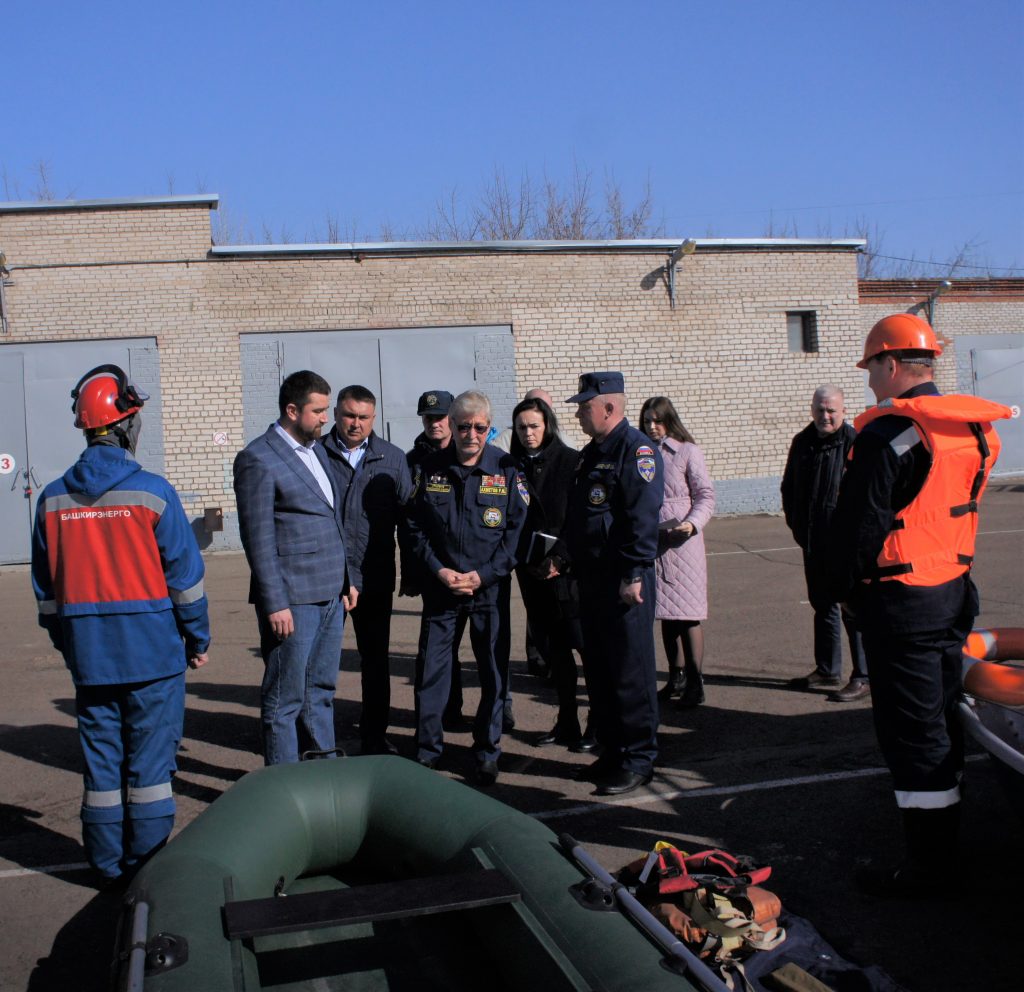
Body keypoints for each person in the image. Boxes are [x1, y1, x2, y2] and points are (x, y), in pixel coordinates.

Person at [827, 313, 1011, 898]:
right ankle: (946, 838)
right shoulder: (967, 429)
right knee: (941, 722)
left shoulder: (889, 435)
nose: (870, 383)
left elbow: (859, 529)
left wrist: (842, 593)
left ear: (890, 363)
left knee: (913, 732)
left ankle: (930, 866)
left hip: (903, 604)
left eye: (872, 369)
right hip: (953, 594)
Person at [31, 364, 210, 888]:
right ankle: (147, 872)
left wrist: (71, 645)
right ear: (127, 424)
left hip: (90, 657)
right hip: (153, 655)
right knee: (151, 771)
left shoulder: (52, 499)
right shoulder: (153, 493)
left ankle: (107, 870)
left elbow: (47, 594)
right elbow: (186, 580)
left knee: (103, 770)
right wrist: (196, 639)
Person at [233, 370, 358, 766]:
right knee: (284, 700)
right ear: (291, 410)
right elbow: (258, 538)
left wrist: (347, 580)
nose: (327, 418)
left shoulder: (316, 449)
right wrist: (275, 603)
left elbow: (331, 520)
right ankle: (283, 788)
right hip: (292, 602)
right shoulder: (258, 458)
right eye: (318, 411)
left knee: (320, 690)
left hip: (330, 595)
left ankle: (324, 773)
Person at [405, 389, 528, 785]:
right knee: (431, 673)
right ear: (452, 427)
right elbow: (414, 528)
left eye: (480, 427)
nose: (471, 434)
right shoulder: (429, 468)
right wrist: (438, 570)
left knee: (493, 673)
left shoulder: (507, 470)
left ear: (489, 429)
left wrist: (485, 575)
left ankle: (487, 750)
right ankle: (427, 750)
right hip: (443, 590)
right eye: (463, 426)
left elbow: (516, 535)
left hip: (487, 592)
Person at [565, 372, 664, 796]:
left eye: (585, 405)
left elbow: (642, 518)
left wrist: (635, 573)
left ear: (609, 407)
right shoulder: (592, 453)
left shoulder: (636, 450)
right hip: (592, 579)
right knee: (601, 670)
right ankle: (611, 750)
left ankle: (639, 759)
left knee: (630, 670)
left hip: (625, 580)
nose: (579, 412)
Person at [322, 384, 414, 756]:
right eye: (348, 416)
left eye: (363, 417)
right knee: (321, 663)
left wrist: (410, 571)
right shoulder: (315, 454)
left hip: (374, 575)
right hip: (327, 576)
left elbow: (408, 517)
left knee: (375, 661)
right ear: (336, 415)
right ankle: (318, 739)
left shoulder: (392, 458)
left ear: (373, 418)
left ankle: (375, 735)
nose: (355, 424)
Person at [781, 386, 869, 702]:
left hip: (845, 547)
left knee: (852, 609)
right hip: (812, 542)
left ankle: (862, 676)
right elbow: (788, 488)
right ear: (812, 410)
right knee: (823, 606)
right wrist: (799, 529)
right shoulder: (802, 443)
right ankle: (827, 669)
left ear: (843, 411)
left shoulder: (855, 444)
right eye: (820, 409)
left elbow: (866, 498)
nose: (825, 416)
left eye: (831, 410)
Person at [509, 395, 586, 748]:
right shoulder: (511, 467)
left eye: (534, 426)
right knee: (555, 655)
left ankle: (599, 723)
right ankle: (567, 721)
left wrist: (561, 559)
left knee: (585, 650)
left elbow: (582, 519)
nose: (528, 433)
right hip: (532, 573)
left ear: (548, 426)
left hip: (566, 575)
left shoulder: (572, 463)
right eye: (522, 427)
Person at [398, 389, 471, 730]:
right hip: (434, 570)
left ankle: (500, 708)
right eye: (429, 418)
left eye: (441, 417)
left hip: (473, 571)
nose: (435, 424)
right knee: (436, 650)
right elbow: (408, 522)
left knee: (488, 649)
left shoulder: (469, 455)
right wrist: (413, 573)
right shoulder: (412, 462)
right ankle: (440, 715)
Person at [639, 396, 716, 708]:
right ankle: (675, 677)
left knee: (687, 616)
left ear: (669, 420)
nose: (652, 427)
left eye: (658, 421)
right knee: (667, 616)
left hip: (682, 544)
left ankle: (696, 681)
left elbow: (705, 495)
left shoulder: (687, 451)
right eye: (647, 422)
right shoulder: (642, 454)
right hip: (654, 542)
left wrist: (691, 524)